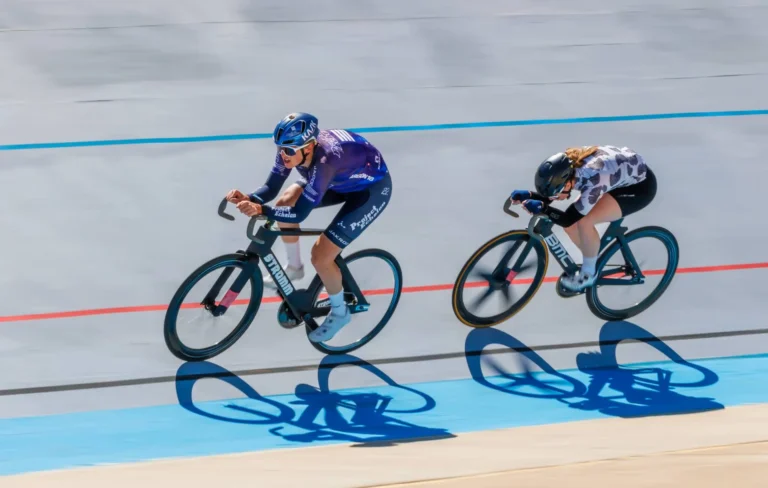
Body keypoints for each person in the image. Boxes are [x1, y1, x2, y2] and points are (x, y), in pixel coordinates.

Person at [225, 112, 392, 343]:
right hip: (340, 181)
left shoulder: (325, 161)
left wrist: (263, 211)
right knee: (284, 200)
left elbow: (300, 213)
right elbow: (272, 188)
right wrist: (251, 198)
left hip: (370, 191)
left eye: (289, 150)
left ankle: (341, 312)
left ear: (309, 146)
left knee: (321, 256)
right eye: (279, 148)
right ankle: (294, 267)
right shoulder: (292, 151)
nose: (283, 155)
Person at [509, 145, 657, 291]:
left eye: (556, 193)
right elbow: (557, 199)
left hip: (639, 189)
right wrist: (529, 195)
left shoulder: (593, 180)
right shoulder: (569, 165)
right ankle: (591, 254)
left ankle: (588, 274)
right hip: (617, 176)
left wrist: (543, 208)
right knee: (572, 224)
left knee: (584, 221)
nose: (554, 197)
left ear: (568, 182)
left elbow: (568, 218)